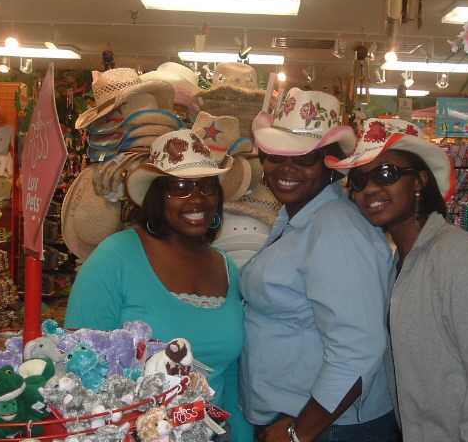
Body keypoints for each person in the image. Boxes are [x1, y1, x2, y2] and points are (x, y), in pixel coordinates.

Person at [325, 117, 468, 442]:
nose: (370, 189)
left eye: (386, 174)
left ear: (420, 180)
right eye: (359, 180)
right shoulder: (398, 262)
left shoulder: (456, 254)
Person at [65, 128, 253, 441]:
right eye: (180, 187)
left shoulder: (226, 268)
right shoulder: (115, 258)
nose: (197, 198)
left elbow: (232, 374)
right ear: (156, 196)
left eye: (207, 186)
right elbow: (78, 364)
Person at [240, 88, 397, 442]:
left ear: (328, 164)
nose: (287, 168)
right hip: (302, 416)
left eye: (305, 158)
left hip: (326, 425)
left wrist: (299, 432)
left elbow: (358, 348)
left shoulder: (337, 228)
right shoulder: (300, 217)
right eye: (276, 156)